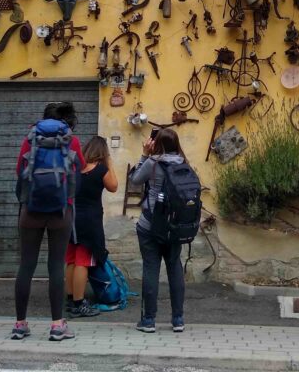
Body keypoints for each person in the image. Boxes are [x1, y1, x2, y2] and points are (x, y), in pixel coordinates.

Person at [12, 101, 85, 342]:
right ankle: (56, 325)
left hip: (30, 210)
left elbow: (19, 170)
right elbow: (79, 170)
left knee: (26, 265)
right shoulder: (70, 140)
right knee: (56, 266)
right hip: (61, 211)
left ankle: (20, 324)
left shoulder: (31, 138)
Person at [130, 127, 189, 333]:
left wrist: (145, 154)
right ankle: (178, 319)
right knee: (174, 268)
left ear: (157, 144)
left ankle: (148, 321)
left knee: (151, 268)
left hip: (150, 226)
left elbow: (135, 180)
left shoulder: (152, 163)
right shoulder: (184, 163)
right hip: (175, 227)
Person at [66, 135, 118, 317]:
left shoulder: (76, 167)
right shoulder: (101, 169)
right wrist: (109, 161)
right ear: (103, 153)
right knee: (83, 261)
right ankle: (80, 304)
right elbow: (114, 186)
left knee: (71, 259)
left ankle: (70, 299)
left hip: (71, 219)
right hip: (90, 221)